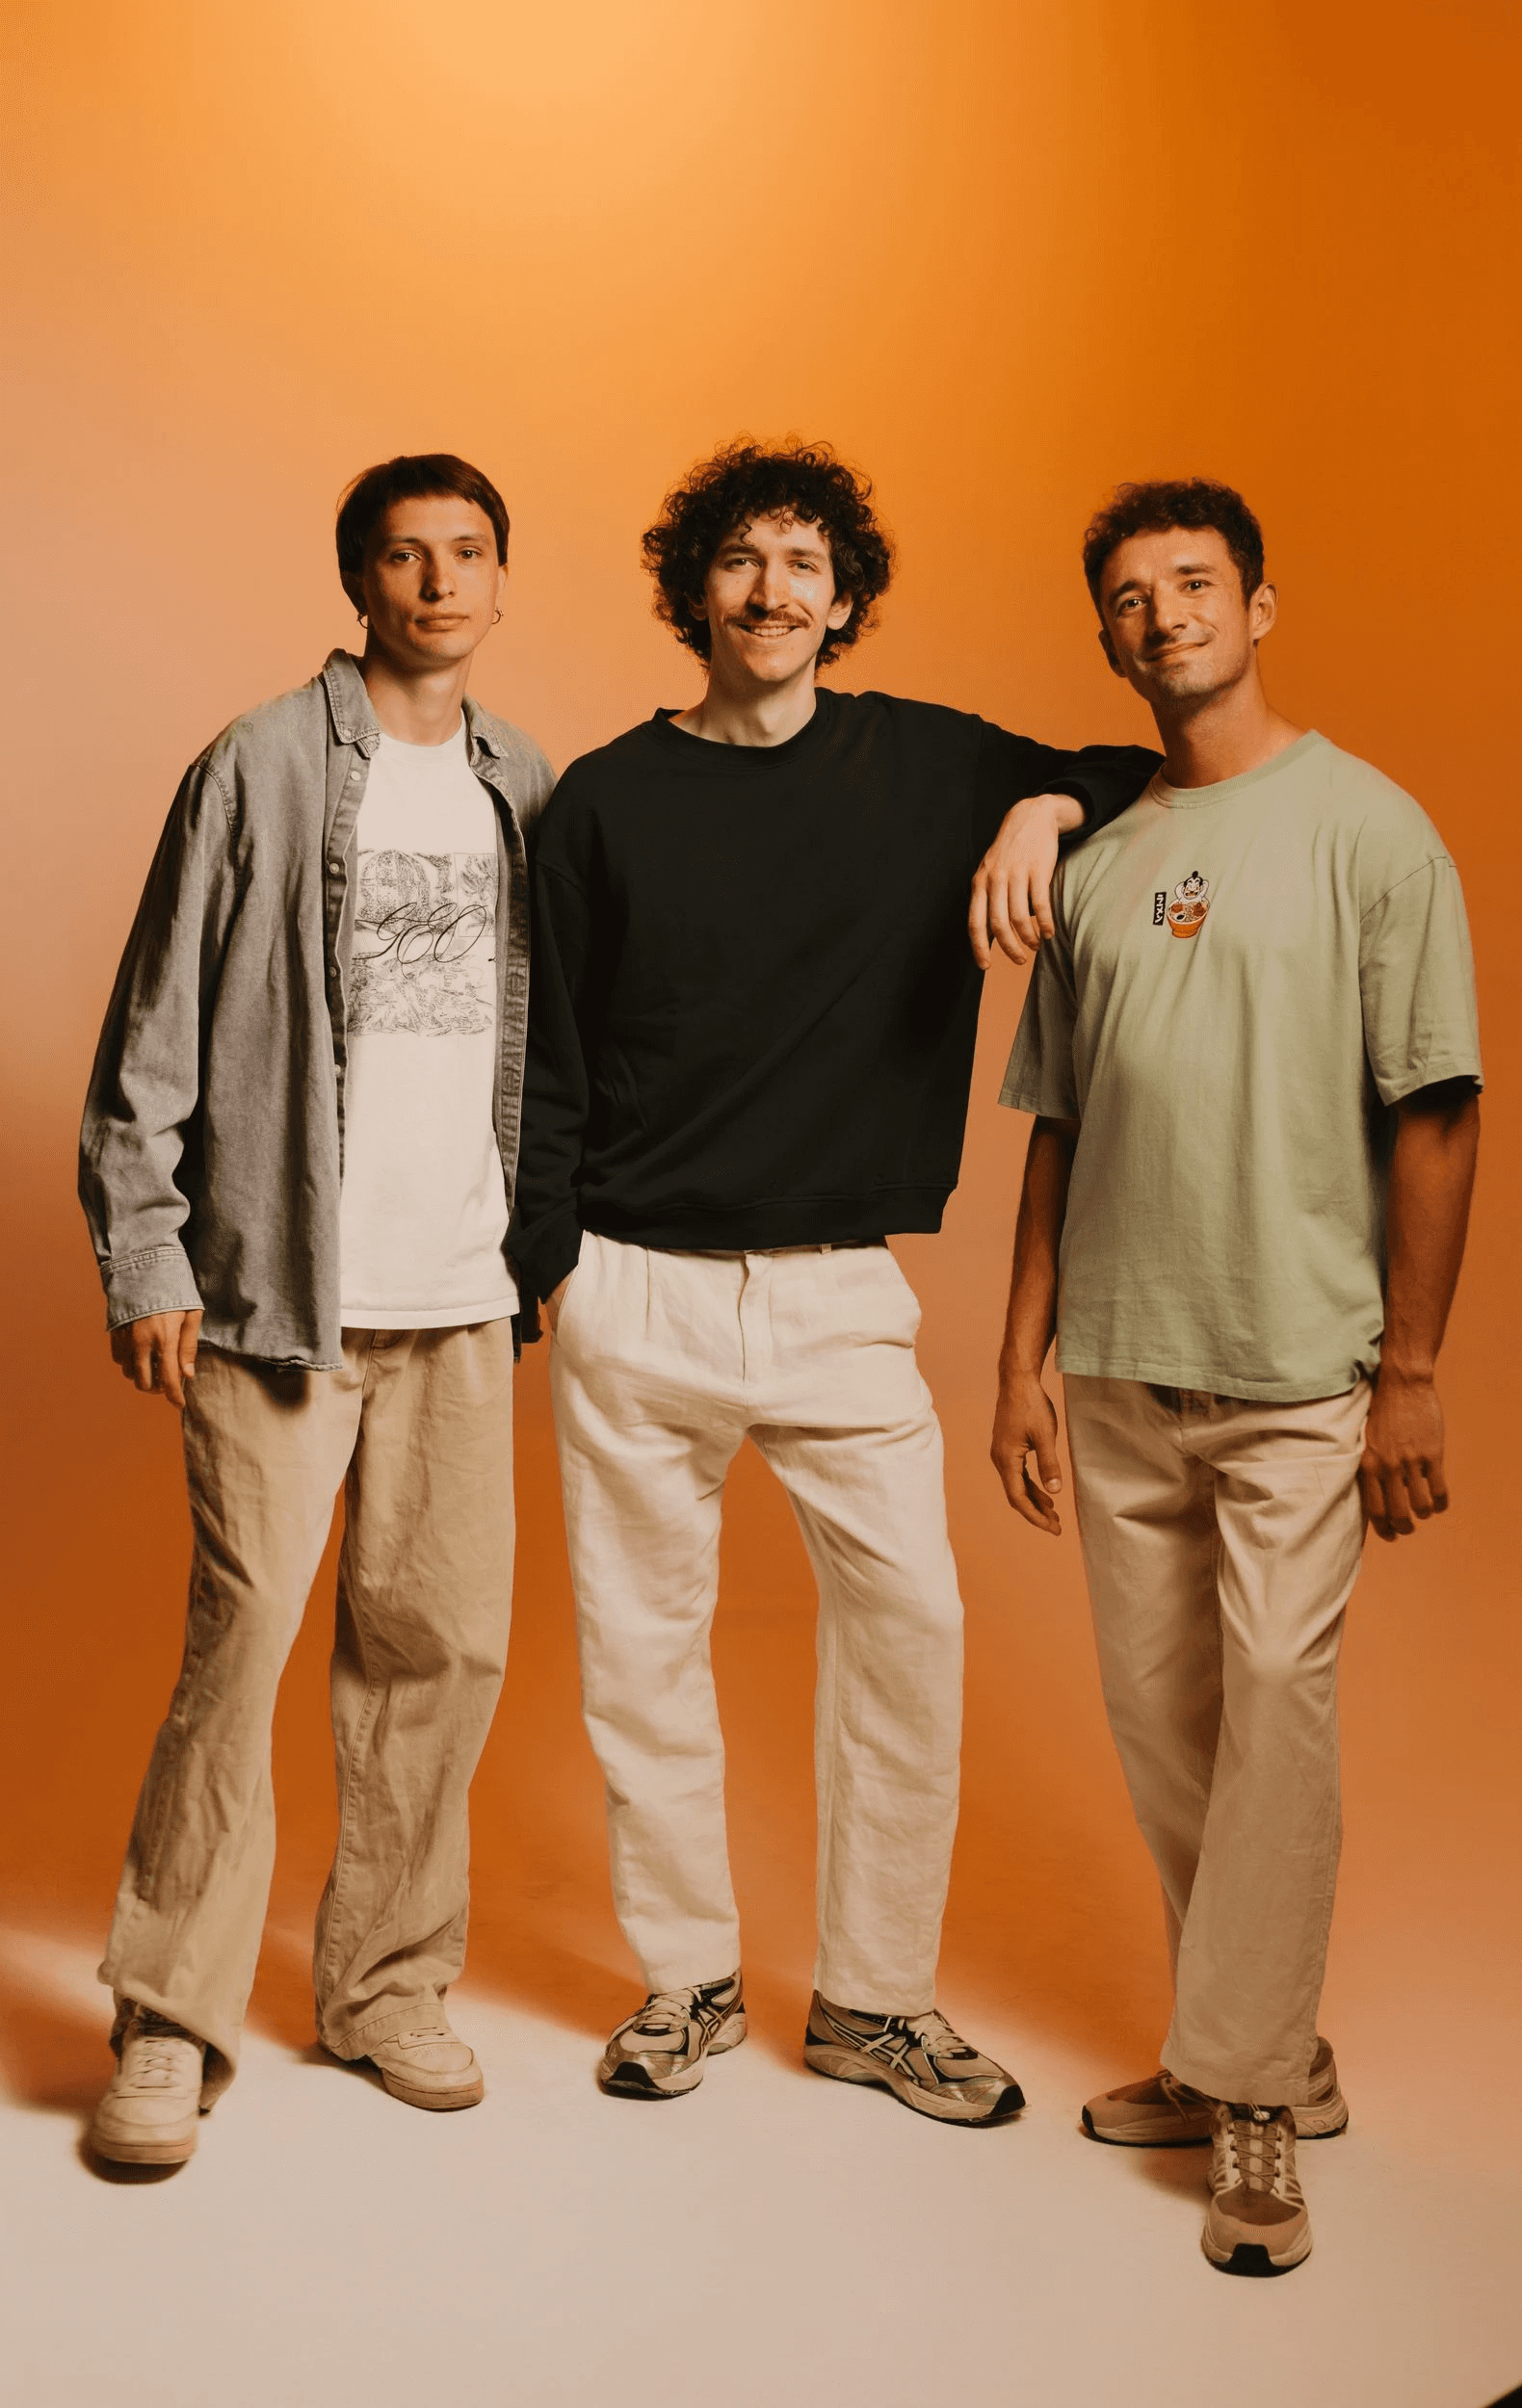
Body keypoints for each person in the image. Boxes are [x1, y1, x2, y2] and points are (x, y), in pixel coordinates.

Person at [509, 438, 1159, 2124]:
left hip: (839, 1288)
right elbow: (549, 1055)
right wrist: (548, 1267)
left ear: (845, 597)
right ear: (695, 593)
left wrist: (1040, 800)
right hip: (634, 1279)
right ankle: (688, 1980)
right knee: (640, 1649)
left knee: (911, 1629)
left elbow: (1144, 768)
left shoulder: (933, 765)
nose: (773, 588)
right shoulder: (602, 799)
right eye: (740, 559)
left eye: (804, 561)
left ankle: (874, 2002)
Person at [992, 479, 1481, 2271]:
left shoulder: (1369, 829)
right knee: (1172, 1729)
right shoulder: (1104, 860)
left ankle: (1256, 2100)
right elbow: (1055, 1124)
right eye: (1126, 596)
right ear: (1106, 635)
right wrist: (1020, 1351)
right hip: (1120, 1363)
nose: (1161, 614)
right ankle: (1251, 2051)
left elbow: (1437, 1106)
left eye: (1193, 584)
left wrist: (1410, 1371)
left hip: (1301, 1368)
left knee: (1277, 1711)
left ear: (1261, 606)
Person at [78, 454, 555, 2165]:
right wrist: (147, 1252)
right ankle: (168, 2018)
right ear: (359, 581)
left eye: (469, 553)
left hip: (465, 1297)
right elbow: (152, 1027)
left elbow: (557, 1049)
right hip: (281, 1296)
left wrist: (542, 1255)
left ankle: (386, 1987)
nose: (439, 582)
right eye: (406, 556)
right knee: (245, 1646)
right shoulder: (262, 764)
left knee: (442, 1653)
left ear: (503, 582)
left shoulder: (528, 785)